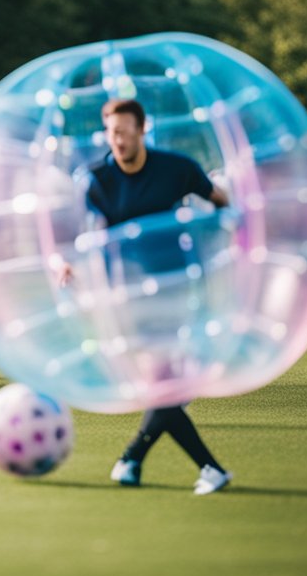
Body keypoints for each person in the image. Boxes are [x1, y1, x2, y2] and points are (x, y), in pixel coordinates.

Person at [65, 98, 232, 494]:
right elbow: (76, 231)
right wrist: (67, 263)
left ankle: (172, 464)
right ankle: (143, 461)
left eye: (125, 132)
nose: (118, 141)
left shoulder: (177, 169)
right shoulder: (98, 179)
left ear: (142, 130)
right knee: (161, 385)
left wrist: (224, 230)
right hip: (125, 295)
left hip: (178, 289)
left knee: (161, 385)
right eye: (112, 133)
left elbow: (221, 203)